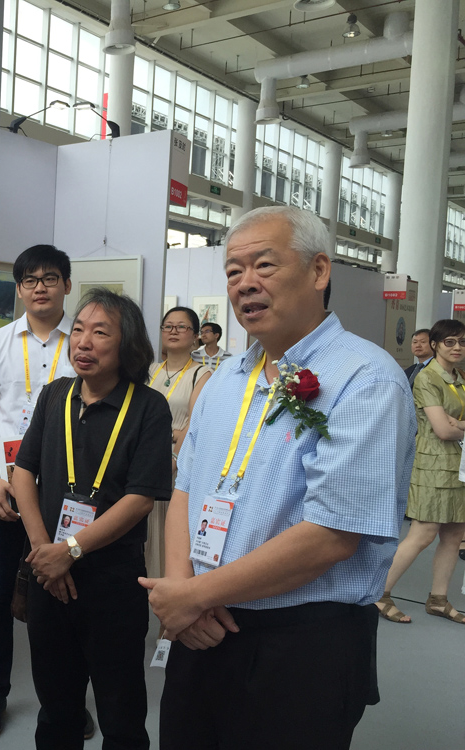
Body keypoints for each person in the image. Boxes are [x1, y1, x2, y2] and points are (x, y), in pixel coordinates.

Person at [141, 205, 415, 749]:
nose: (245, 283)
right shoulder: (225, 378)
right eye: (233, 271)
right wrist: (184, 590)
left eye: (264, 265)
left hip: (301, 640)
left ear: (319, 271)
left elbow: (332, 534)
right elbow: (186, 485)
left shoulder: (365, 378)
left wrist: (192, 596)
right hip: (201, 626)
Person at [12, 288, 172, 750]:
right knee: (56, 708)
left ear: (127, 345)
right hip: (48, 575)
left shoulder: (148, 407)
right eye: (78, 329)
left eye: (100, 332)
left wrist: (71, 550)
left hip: (111, 580)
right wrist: (46, 553)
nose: (83, 341)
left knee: (121, 713)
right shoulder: (55, 395)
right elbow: (23, 472)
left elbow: (141, 498)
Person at [0, 244, 92, 741]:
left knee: (69, 594)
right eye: (30, 280)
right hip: (4, 487)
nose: (40, 287)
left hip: (65, 491)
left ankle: (67, 701)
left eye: (50, 278)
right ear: (19, 289)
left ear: (66, 284)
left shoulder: (83, 342)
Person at [376, 319, 465, 625]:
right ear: (435, 345)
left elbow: (453, 427)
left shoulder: (459, 377)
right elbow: (442, 430)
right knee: (423, 534)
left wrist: (460, 424)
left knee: (454, 534)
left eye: (462, 342)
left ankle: (438, 600)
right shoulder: (427, 378)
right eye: (450, 342)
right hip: (432, 465)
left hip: (459, 465)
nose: (457, 348)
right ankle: (380, 592)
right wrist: (455, 426)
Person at [146, 306, 211, 578]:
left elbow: (193, 425)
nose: (173, 331)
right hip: (143, 456)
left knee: (167, 531)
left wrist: (173, 460)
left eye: (181, 327)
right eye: (168, 326)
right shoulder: (151, 370)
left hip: (175, 464)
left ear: (195, 336)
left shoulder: (202, 374)